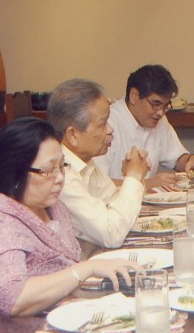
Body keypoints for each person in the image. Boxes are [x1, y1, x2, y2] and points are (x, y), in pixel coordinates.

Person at [0, 117, 139, 333]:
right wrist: (86, 268)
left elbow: (64, 281)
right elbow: (12, 299)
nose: (59, 178)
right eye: (48, 171)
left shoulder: (52, 209)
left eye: (62, 166)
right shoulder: (1, 225)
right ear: (15, 173)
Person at [48, 79, 150, 257]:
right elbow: (112, 233)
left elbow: (117, 205)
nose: (110, 130)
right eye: (102, 124)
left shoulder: (85, 163)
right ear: (73, 135)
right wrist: (133, 177)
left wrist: (134, 178)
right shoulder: (61, 176)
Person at [95, 64, 194, 190]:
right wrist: (147, 184)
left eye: (165, 106)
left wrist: (192, 160)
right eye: (155, 104)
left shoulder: (159, 120)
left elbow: (176, 158)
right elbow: (96, 185)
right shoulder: (107, 123)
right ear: (134, 96)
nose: (160, 112)